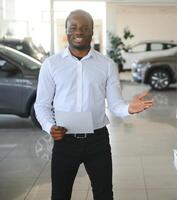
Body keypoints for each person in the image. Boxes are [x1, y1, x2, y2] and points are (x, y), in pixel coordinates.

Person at [34, 9, 153, 200]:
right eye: (73, 27)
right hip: (64, 140)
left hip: (97, 141)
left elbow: (115, 104)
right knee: (59, 195)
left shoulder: (106, 65)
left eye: (84, 28)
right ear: (66, 31)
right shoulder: (51, 65)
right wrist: (49, 127)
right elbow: (41, 105)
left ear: (92, 32)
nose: (78, 32)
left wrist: (128, 109)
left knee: (104, 194)